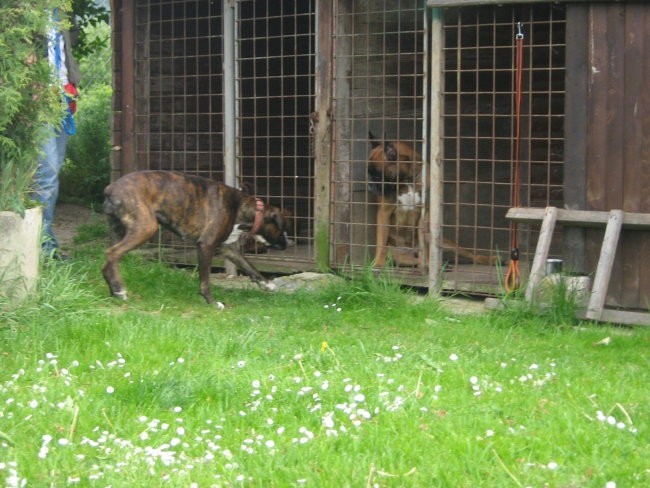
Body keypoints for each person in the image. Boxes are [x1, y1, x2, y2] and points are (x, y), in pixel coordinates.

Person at [34, 8, 81, 259]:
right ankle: (42, 247)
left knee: (53, 171)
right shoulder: (26, 11)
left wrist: (72, 84)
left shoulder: (62, 12)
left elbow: (65, 54)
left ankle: (44, 242)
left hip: (63, 97)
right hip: (36, 101)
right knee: (47, 171)